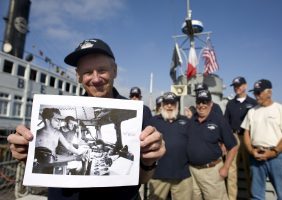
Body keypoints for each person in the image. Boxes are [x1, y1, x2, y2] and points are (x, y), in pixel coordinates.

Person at [7, 38, 166, 200]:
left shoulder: (141, 113)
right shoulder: (57, 108)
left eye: (102, 70)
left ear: (115, 71)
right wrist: (26, 156)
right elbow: (42, 172)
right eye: (88, 72)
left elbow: (143, 178)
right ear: (78, 76)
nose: (96, 78)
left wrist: (149, 162)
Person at [241, 79, 282, 200]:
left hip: (277, 157)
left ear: (269, 92)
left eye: (259, 93)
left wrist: (273, 152)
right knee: (256, 195)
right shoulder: (252, 112)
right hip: (256, 157)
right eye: (255, 93)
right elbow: (246, 133)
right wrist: (251, 151)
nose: (256, 96)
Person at [187, 89, 238, 200]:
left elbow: (233, 146)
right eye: (199, 102)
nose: (201, 105)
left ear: (211, 104)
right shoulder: (191, 121)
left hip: (211, 172)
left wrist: (226, 167)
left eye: (205, 102)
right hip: (192, 172)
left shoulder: (219, 120)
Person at [146, 92, 192, 200]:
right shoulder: (153, 121)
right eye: (166, 103)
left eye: (172, 103)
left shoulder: (186, 121)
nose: (169, 106)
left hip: (182, 175)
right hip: (158, 174)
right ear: (162, 105)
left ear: (177, 105)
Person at [224, 76, 257, 200]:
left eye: (239, 85)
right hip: (233, 137)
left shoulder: (254, 103)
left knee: (250, 169)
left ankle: (250, 196)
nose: (237, 88)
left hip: (248, 138)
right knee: (232, 170)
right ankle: (232, 197)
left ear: (245, 86)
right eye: (235, 86)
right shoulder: (230, 103)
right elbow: (225, 123)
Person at [33, 108, 86, 174]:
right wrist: (75, 157)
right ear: (47, 121)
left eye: (60, 119)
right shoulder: (37, 135)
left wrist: (79, 153)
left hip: (53, 164)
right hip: (41, 169)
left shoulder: (57, 133)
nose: (59, 122)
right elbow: (50, 158)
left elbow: (68, 146)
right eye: (56, 119)